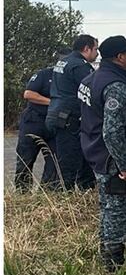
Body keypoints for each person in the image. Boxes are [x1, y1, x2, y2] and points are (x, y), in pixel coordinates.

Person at [79, 36, 126, 271]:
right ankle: (113, 264)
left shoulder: (90, 78)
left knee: (107, 206)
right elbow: (112, 132)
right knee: (118, 210)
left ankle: (105, 249)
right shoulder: (115, 85)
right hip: (111, 159)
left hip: (94, 152)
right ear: (120, 57)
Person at [46, 34, 98, 191]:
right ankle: (65, 200)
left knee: (75, 159)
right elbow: (91, 89)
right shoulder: (80, 65)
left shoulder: (64, 61)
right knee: (70, 163)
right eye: (95, 49)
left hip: (57, 113)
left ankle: (84, 193)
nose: (97, 53)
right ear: (86, 49)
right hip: (70, 118)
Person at [13, 50, 65, 191]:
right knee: (25, 159)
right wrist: (53, 102)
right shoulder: (44, 74)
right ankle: (22, 193)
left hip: (54, 124)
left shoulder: (68, 78)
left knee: (54, 161)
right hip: (34, 122)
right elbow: (29, 94)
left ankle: (46, 193)